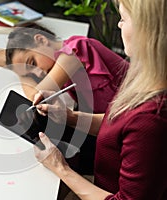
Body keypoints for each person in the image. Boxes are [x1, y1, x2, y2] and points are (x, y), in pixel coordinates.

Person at [0, 23, 129, 175]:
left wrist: (21, 73)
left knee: (62, 152)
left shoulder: (76, 50)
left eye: (32, 63)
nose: (37, 72)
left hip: (136, 120)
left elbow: (38, 95)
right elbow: (10, 59)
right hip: (113, 120)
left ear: (40, 39)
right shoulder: (53, 59)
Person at [33, 0, 167, 199]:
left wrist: (61, 168)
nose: (119, 25)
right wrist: (70, 117)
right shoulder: (148, 77)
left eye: (123, 18)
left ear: (147, 29)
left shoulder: (152, 117)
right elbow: (120, 127)